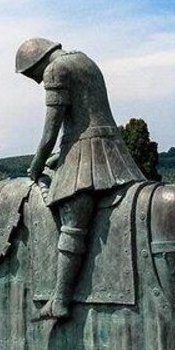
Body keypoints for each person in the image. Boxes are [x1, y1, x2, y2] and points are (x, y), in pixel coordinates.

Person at [16, 38, 145, 321]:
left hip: (89, 154)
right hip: (112, 148)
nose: (38, 82)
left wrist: (37, 164)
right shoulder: (85, 60)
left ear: (37, 63)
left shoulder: (55, 70)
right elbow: (85, 118)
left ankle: (60, 299)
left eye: (32, 76)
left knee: (72, 221)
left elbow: (51, 129)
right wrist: (59, 158)